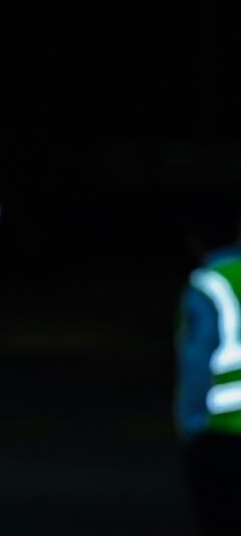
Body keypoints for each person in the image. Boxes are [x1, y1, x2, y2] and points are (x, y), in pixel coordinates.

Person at [175, 210, 241, 535]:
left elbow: (197, 360)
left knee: (220, 518)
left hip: (223, 427)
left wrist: (190, 423)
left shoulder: (209, 283)